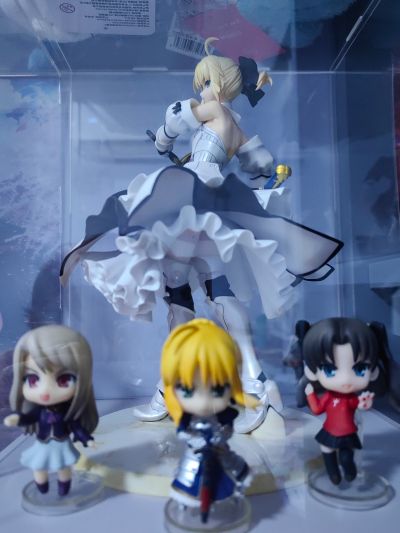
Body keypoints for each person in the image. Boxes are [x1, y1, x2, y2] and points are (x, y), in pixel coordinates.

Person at [60, 37, 343, 432]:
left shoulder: (213, 108)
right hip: (213, 210)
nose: (203, 90)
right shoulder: (238, 128)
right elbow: (260, 163)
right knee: (216, 290)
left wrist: (163, 137)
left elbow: (177, 118)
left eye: (206, 83)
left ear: (219, 84)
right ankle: (257, 382)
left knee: (176, 290)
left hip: (191, 199)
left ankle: (171, 386)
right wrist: (267, 175)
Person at [161, 318, 254, 522]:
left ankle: (225, 499)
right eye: (188, 390)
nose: (203, 403)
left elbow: (228, 428)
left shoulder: (224, 415)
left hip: (219, 453)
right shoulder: (187, 418)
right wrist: (195, 440)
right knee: (188, 479)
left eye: (218, 389)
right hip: (195, 455)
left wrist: (221, 437)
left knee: (230, 473)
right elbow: (182, 432)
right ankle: (187, 504)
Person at [298, 317, 398, 485]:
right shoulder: (329, 397)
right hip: (330, 431)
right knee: (327, 449)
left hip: (348, 433)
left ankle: (349, 469)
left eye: (360, 369)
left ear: (373, 371)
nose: (345, 379)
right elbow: (316, 409)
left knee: (347, 455)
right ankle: (333, 473)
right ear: (312, 371)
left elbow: (359, 405)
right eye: (329, 370)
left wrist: (365, 403)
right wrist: (310, 395)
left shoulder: (350, 399)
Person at [3, 325, 98, 495]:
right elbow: (30, 417)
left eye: (64, 380)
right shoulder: (39, 412)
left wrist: (87, 439)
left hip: (61, 443)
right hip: (43, 443)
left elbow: (75, 426)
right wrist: (17, 419)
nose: (45, 391)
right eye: (32, 379)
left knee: (63, 467)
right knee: (38, 466)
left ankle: (64, 487)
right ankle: (42, 486)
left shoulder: (66, 412)